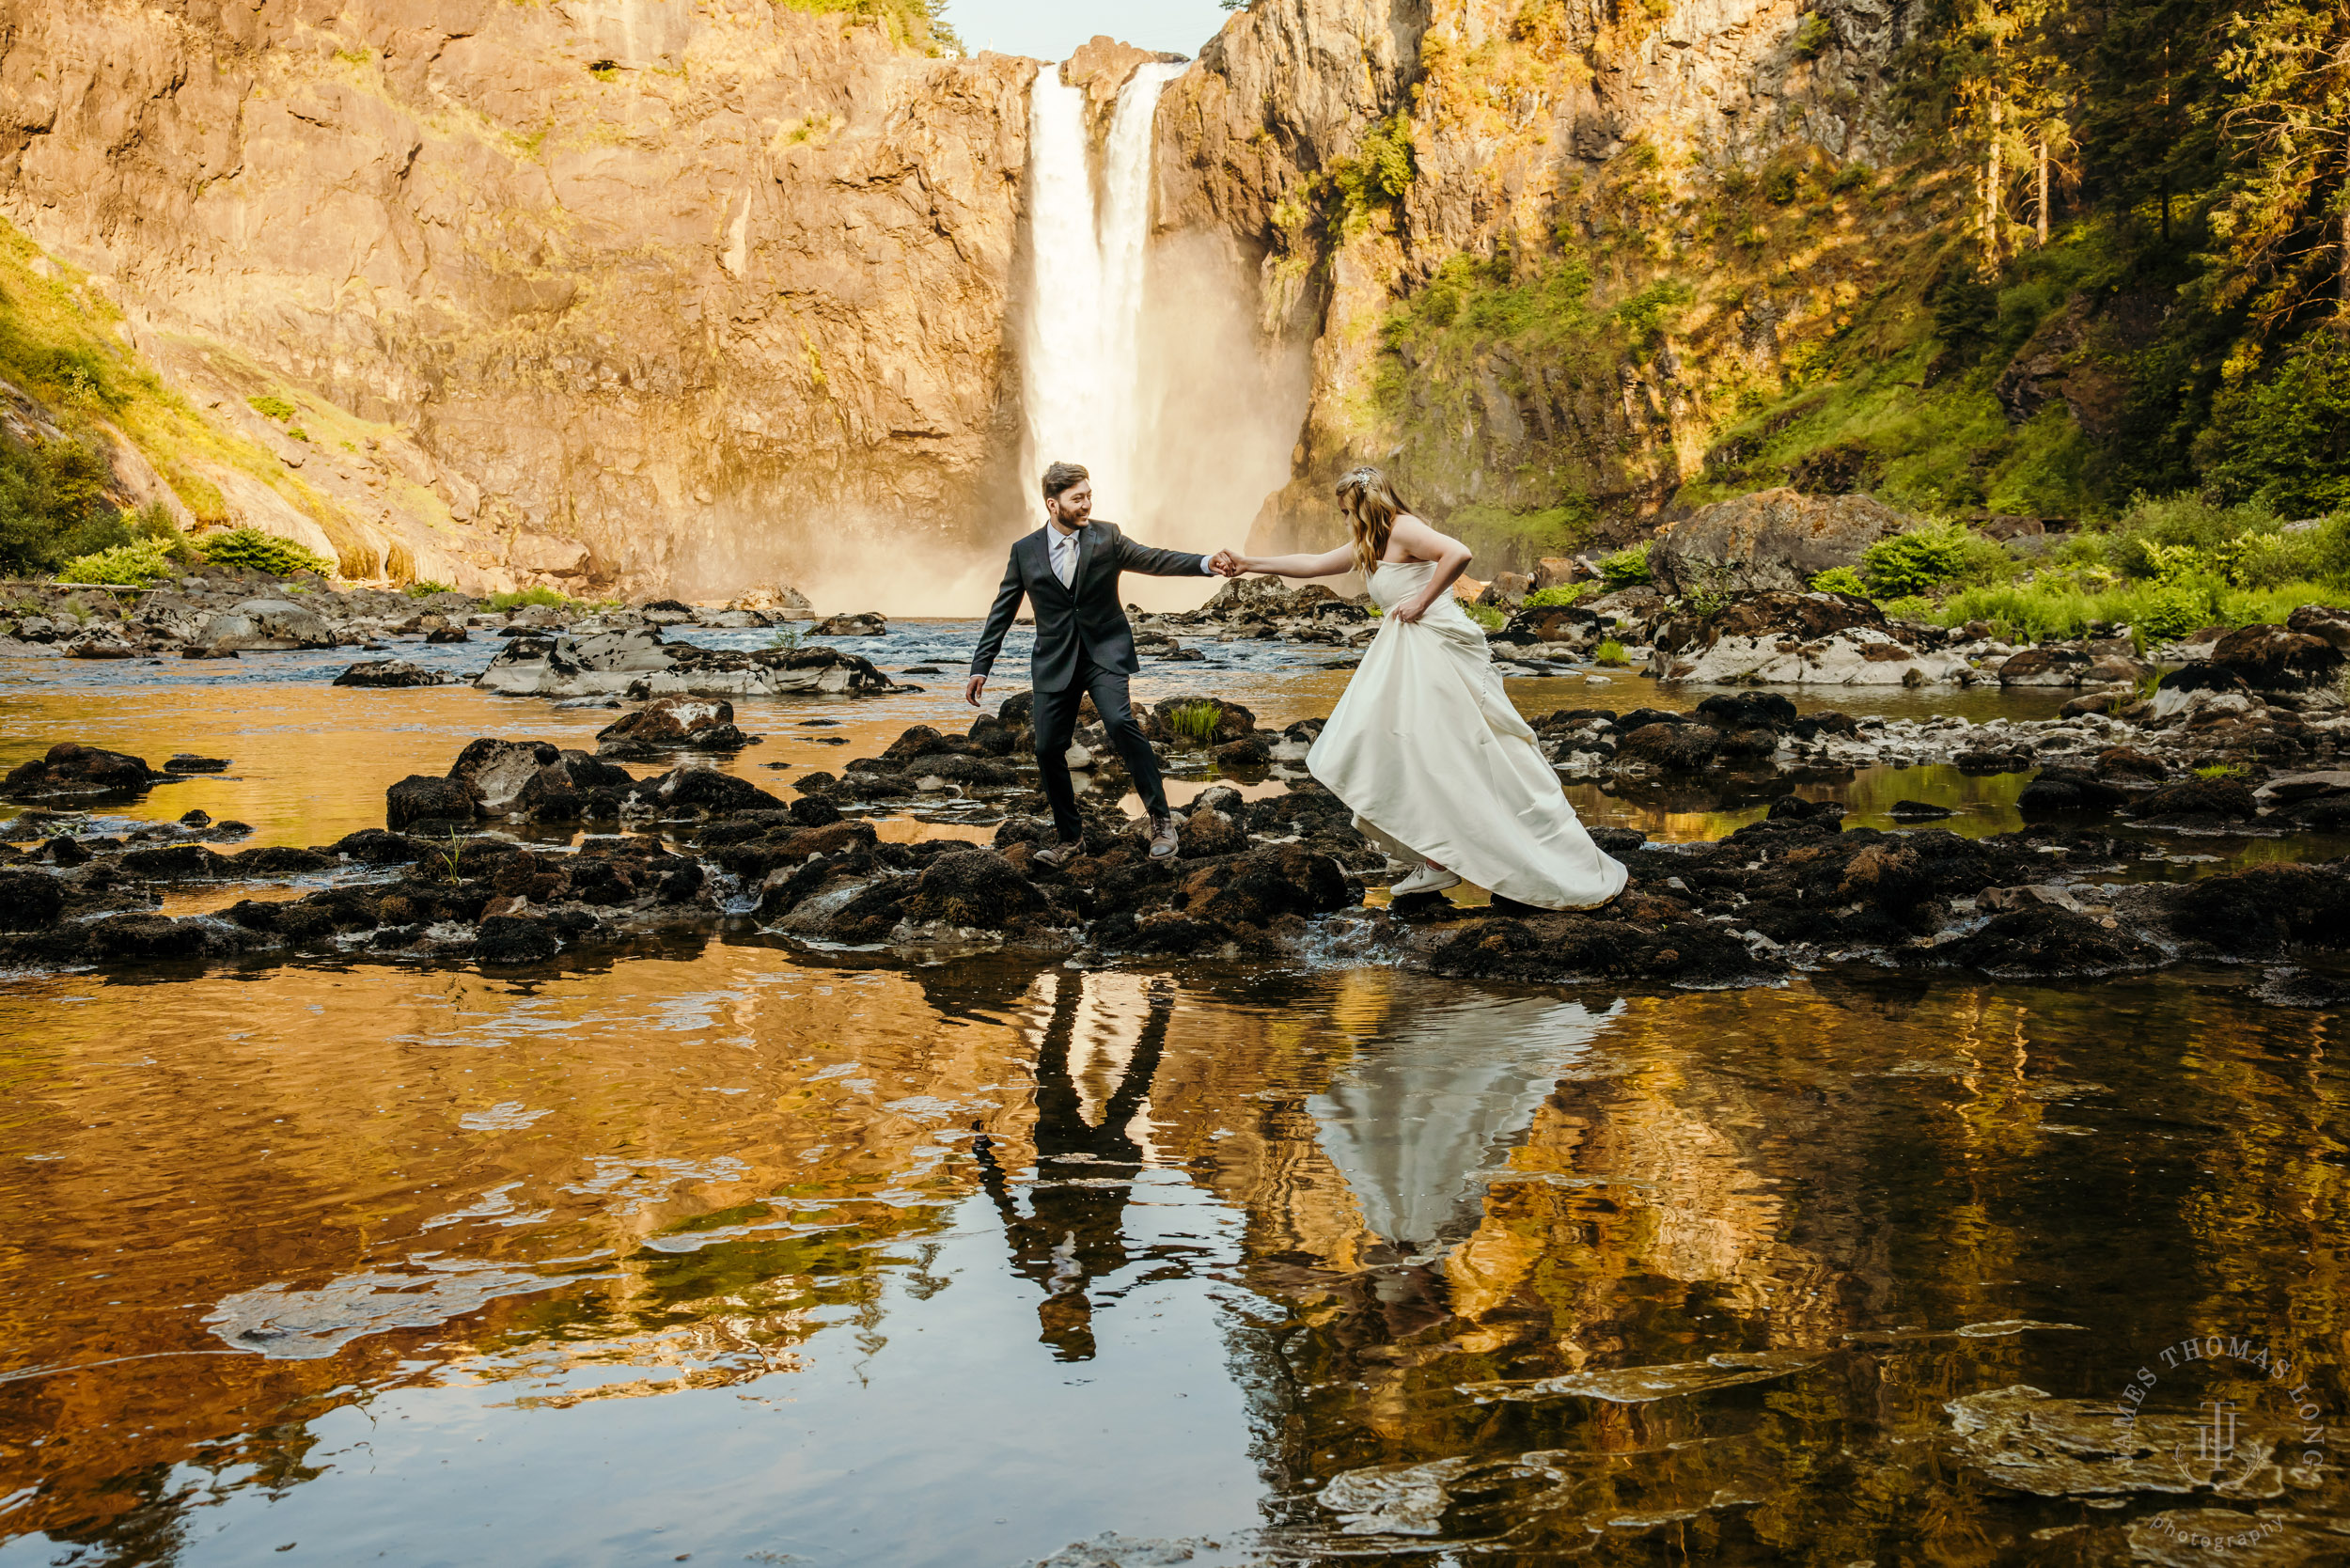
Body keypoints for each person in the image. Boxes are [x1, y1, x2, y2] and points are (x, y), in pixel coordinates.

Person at [1214, 466, 1627, 909]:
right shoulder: (1370, 542)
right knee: (1409, 748)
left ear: (1366, 505)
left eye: (1346, 511)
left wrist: (1421, 599)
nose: (1344, 519)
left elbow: (1459, 553)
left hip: (1438, 646)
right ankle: (1436, 856)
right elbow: (1314, 564)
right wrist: (1248, 563)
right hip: (1411, 651)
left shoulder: (1406, 529)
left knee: (1453, 749)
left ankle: (1462, 858)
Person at [967, 461, 1230, 865]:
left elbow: (1153, 559)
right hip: (1055, 660)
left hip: (1105, 653)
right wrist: (981, 666)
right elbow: (1002, 610)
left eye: (1089, 495)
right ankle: (1070, 838)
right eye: (1078, 498)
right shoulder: (1024, 551)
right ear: (1053, 505)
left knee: (1121, 723)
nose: (1087, 503)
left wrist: (1204, 563)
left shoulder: (1107, 536)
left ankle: (1161, 821)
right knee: (1045, 749)